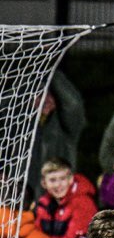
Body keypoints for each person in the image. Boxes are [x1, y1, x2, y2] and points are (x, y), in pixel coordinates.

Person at [28, 69, 85, 200]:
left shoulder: (65, 128)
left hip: (57, 202)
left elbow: (74, 105)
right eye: (39, 95)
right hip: (25, 205)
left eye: (50, 95)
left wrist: (50, 70)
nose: (45, 100)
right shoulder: (17, 130)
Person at [34, 158, 96, 238]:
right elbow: (36, 232)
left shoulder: (83, 202)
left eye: (62, 179)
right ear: (44, 183)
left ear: (70, 179)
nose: (58, 185)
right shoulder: (44, 203)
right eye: (52, 180)